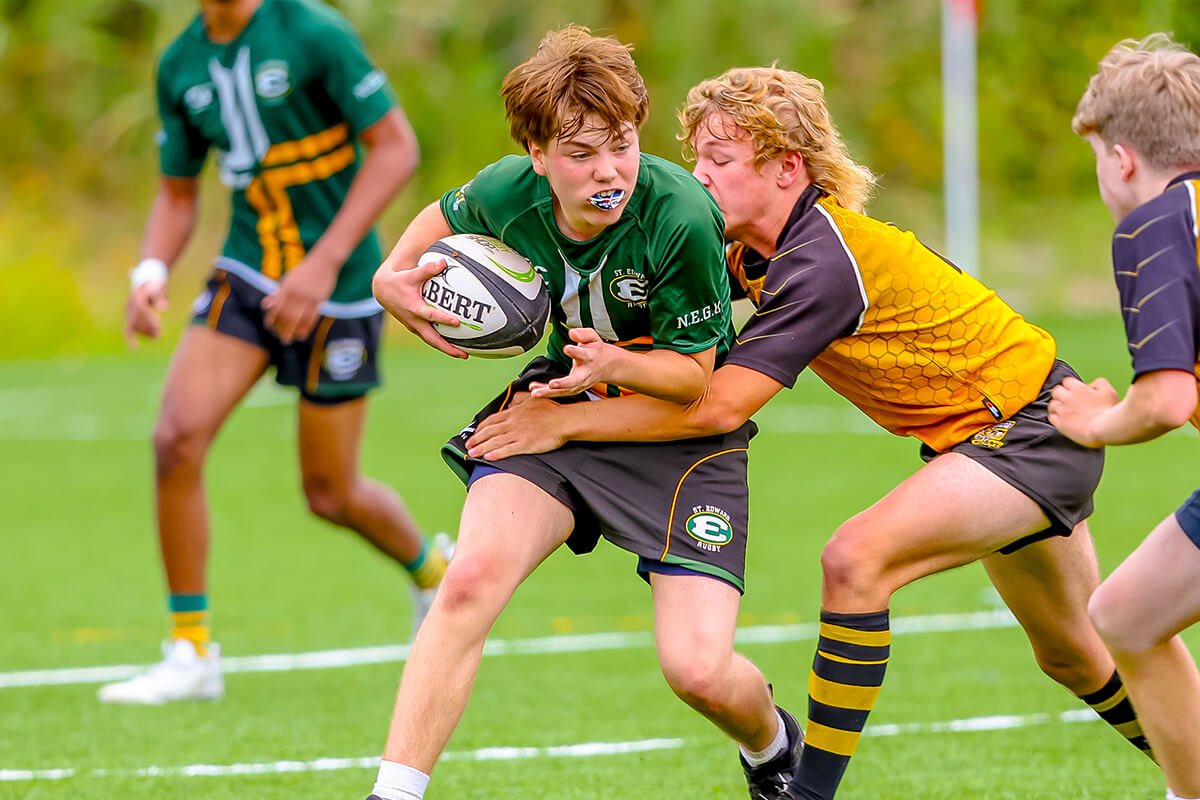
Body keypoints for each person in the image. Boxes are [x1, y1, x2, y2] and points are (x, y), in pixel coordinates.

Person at [466, 66, 1157, 798]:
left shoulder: (824, 260)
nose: (699, 180)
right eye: (696, 162)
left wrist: (562, 423)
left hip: (1027, 431)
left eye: (721, 164)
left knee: (856, 560)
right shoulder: (744, 250)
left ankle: (808, 792)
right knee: (1075, 656)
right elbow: (649, 303)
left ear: (786, 167)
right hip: (997, 435)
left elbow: (717, 406)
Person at [367, 26, 800, 800]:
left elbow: (693, 380)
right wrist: (389, 279)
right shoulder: (508, 189)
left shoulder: (679, 215)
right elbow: (439, 217)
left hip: (673, 430)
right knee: (467, 582)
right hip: (563, 398)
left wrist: (601, 380)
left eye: (622, 145)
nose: (608, 172)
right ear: (538, 156)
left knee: (697, 671)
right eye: (580, 154)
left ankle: (771, 745)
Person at [101, 0, 449, 706]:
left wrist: (323, 264)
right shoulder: (180, 64)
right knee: (176, 438)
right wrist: (149, 272)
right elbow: (176, 192)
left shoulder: (312, 31)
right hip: (250, 272)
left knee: (330, 492)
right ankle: (191, 652)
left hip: (342, 284)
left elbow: (397, 148)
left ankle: (434, 573)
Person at [1049, 33, 1200, 800]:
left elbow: (1167, 400)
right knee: (1129, 613)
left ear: (1123, 159)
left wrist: (1095, 421)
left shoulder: (1155, 225)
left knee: (1126, 615)